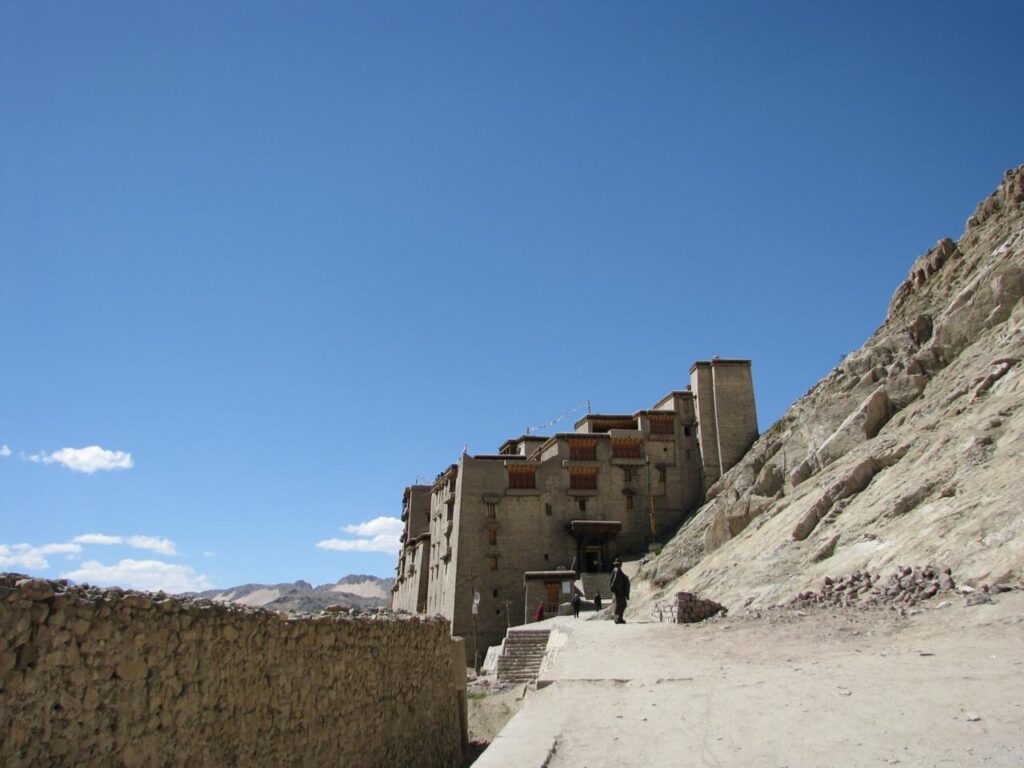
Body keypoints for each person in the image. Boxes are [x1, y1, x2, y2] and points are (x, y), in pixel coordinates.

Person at [609, 559, 630, 624]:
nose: (622, 564)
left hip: (619, 590)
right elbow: (614, 579)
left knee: (621, 604)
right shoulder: (617, 570)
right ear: (619, 563)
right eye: (621, 562)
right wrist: (613, 587)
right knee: (621, 605)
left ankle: (619, 618)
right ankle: (618, 618)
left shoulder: (615, 569)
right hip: (619, 590)